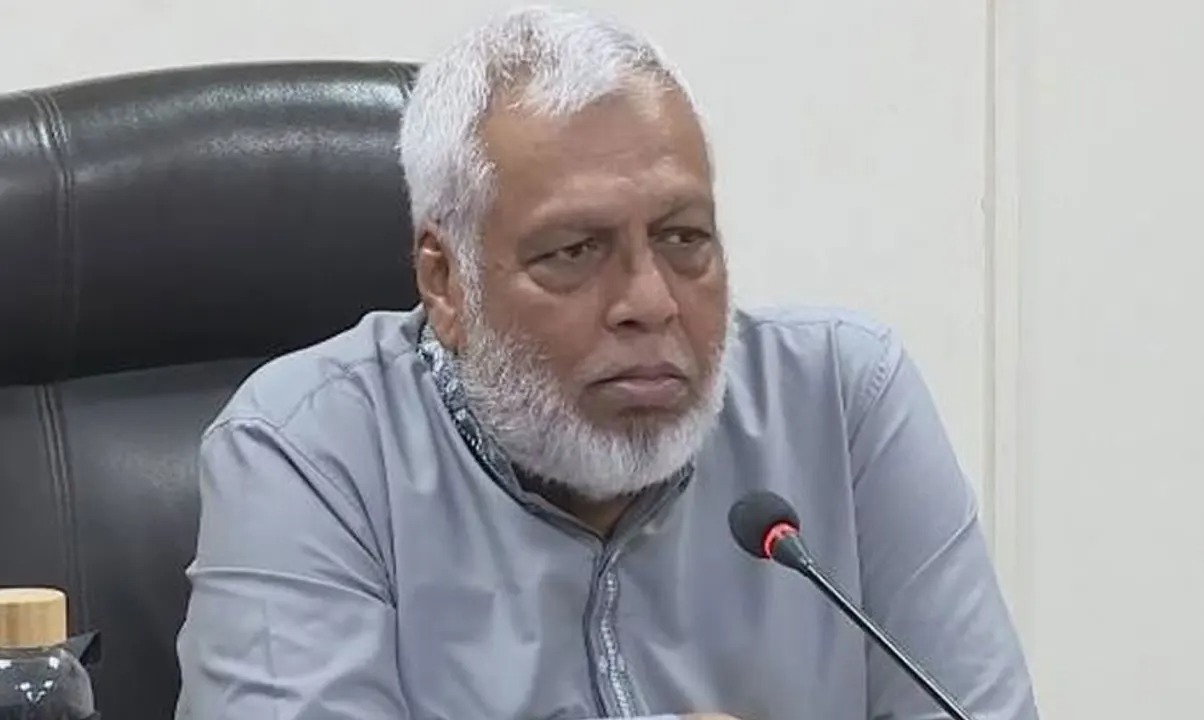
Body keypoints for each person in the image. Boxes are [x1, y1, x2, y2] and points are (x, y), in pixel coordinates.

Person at [174, 6, 1038, 720]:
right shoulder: (310, 448)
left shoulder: (843, 402)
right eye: (575, 251)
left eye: (684, 239)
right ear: (446, 282)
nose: (651, 302)